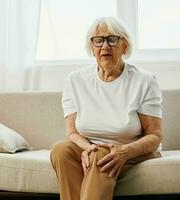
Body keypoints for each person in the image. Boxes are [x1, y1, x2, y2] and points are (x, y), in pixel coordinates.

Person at [50, 16, 162, 200]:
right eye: (98, 40)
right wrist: (88, 148)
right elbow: (71, 132)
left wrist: (124, 152)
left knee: (101, 156)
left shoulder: (144, 80)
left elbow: (155, 136)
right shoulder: (75, 80)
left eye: (112, 39)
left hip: (133, 150)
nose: (105, 46)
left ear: (125, 45)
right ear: (91, 47)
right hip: (93, 149)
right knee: (61, 150)